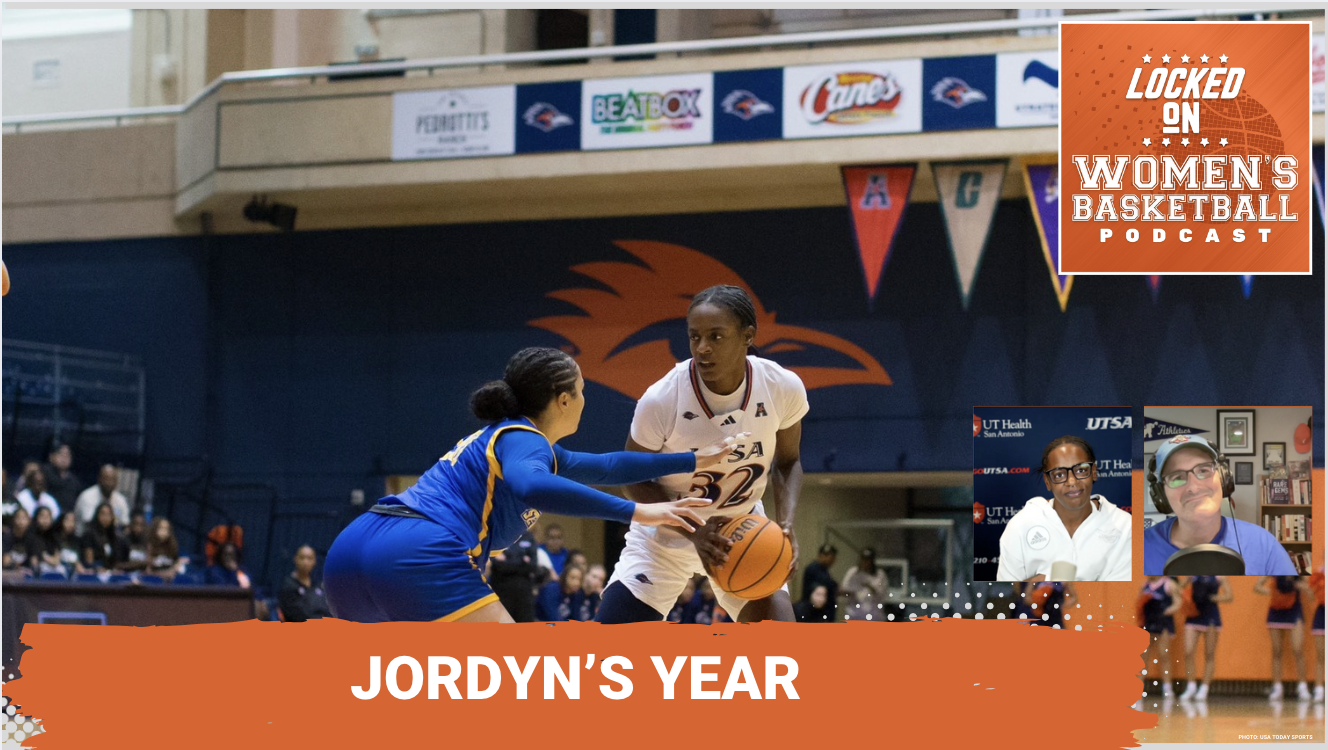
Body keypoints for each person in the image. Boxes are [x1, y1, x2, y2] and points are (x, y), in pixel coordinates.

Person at [323, 347, 731, 623]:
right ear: (563, 399)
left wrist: (693, 459)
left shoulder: (518, 441)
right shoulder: (525, 441)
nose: (586, 399)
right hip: (417, 550)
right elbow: (532, 488)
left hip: (354, 547)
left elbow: (608, 466)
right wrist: (640, 511)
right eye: (583, 390)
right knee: (512, 687)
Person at [598, 285, 808, 624]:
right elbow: (630, 477)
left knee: (781, 653)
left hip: (740, 532)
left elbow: (787, 462)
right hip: (664, 539)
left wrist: (785, 524)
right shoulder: (662, 399)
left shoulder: (781, 387)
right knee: (609, 653)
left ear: (747, 336)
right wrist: (697, 532)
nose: (702, 348)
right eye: (694, 337)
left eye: (716, 336)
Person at [1143, 435, 1295, 575]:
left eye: (1203, 470)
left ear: (1223, 478)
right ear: (1161, 495)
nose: (1194, 488)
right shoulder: (1138, 549)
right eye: (1177, 477)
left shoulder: (1264, 544)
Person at [997, 435, 1132, 582]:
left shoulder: (1125, 526)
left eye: (1080, 470)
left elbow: (1121, 595)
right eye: (1059, 474)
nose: (1072, 481)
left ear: (1093, 471)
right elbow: (1010, 595)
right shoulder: (1021, 525)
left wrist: (1047, 582)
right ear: (1047, 482)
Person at [1254, 576, 1311, 701]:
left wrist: (1302, 587)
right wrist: (1273, 593)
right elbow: (1257, 587)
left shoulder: (1300, 560)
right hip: (1276, 610)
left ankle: (1302, 687)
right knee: (1277, 651)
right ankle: (1277, 686)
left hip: (1294, 610)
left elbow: (1309, 590)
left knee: (1298, 649)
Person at [1178, 575, 1233, 701]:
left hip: (1211, 616)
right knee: (1188, 651)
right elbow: (1179, 588)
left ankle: (1204, 688)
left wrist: (1212, 597)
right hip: (1194, 614)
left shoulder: (1220, 577)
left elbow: (1229, 596)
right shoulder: (1193, 574)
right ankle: (1191, 686)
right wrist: (1186, 594)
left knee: (1209, 653)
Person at [1137, 576, 1183, 698]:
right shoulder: (1145, 584)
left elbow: (1178, 602)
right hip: (1148, 622)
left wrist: (1168, 610)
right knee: (1143, 656)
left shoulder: (1169, 584)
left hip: (1163, 623)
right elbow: (1139, 602)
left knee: (1164, 655)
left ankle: (1167, 687)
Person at [488, 530, 542, 622]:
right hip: (501, 590)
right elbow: (497, 564)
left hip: (524, 593)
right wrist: (522, 561)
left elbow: (533, 565)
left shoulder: (529, 537)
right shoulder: (499, 535)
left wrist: (507, 561)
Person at [278, 545, 332, 622]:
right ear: (295, 559)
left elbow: (326, 610)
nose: (305, 562)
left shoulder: (318, 587)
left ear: (315, 561)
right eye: (302, 558)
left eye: (309, 558)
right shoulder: (288, 586)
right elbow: (297, 616)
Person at [73, 465, 130, 535]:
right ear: (99, 479)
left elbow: (125, 525)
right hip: (85, 538)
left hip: (110, 540)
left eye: (113, 480)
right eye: (107, 479)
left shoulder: (121, 500)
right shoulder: (87, 496)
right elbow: (90, 524)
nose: (109, 483)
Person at [841, 548, 887, 621]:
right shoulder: (852, 572)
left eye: (868, 560)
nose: (865, 562)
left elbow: (882, 595)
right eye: (863, 559)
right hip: (854, 613)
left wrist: (869, 586)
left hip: (873, 615)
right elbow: (844, 589)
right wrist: (850, 592)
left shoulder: (880, 574)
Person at [41, 441, 82, 513]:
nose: (64, 458)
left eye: (67, 455)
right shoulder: (43, 473)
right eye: (61, 454)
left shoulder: (74, 480)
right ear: (51, 457)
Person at [801, 543, 838, 617]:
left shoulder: (824, 571)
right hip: (814, 612)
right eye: (831, 557)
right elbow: (823, 585)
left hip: (823, 612)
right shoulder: (813, 569)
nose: (832, 560)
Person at [79, 502, 118, 572]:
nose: (105, 518)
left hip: (108, 571)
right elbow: (89, 561)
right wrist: (97, 569)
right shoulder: (89, 534)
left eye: (108, 514)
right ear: (97, 515)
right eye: (102, 514)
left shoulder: (112, 536)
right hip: (92, 572)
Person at [2, 507, 40, 573]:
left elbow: (34, 561)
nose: (21, 522)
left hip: (27, 572)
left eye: (24, 518)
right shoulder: (6, 537)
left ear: (29, 521)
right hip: (9, 572)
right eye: (18, 518)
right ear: (13, 519)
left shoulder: (33, 539)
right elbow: (5, 561)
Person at [1310, 567, 1325, 703]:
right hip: (1321, 613)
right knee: (1321, 655)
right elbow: (1310, 596)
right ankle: (1319, 690)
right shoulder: (1320, 572)